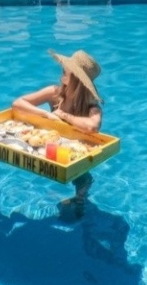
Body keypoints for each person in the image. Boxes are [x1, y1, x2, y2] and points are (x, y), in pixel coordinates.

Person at [12, 49, 104, 219]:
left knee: (81, 175)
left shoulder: (91, 105)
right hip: (55, 145)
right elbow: (18, 103)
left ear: (76, 77)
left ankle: (80, 199)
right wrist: (46, 114)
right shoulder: (55, 93)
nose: (63, 68)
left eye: (67, 68)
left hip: (77, 153)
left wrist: (64, 115)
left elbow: (93, 126)